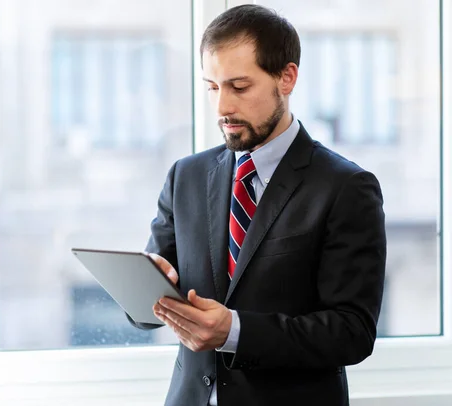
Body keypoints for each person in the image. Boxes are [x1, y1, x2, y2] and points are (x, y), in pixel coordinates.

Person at [128, 4, 387, 406]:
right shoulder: (186, 177)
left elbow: (351, 332)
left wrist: (234, 330)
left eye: (239, 87)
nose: (222, 107)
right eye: (212, 87)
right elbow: (143, 313)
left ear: (287, 77)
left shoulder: (346, 187)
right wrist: (149, 287)